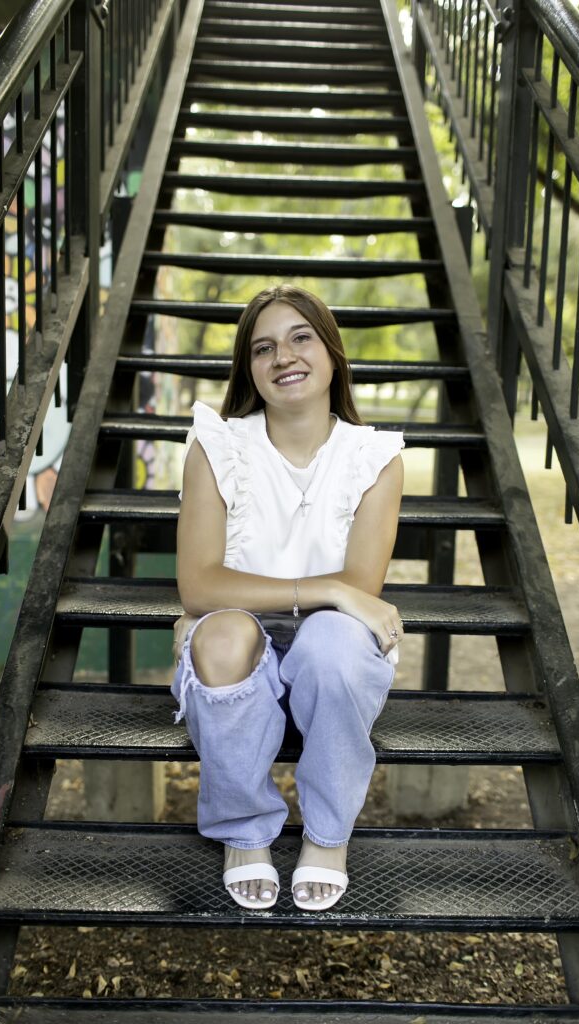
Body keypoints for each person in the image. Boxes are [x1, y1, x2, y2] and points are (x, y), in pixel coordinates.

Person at [171, 284, 405, 913]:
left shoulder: (373, 457)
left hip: (332, 657)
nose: (284, 357)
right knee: (222, 631)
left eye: (301, 338)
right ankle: (244, 831)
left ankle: (328, 835)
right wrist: (326, 588)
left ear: (332, 354)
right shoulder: (217, 446)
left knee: (332, 641)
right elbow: (198, 584)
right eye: (262, 348)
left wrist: (335, 598)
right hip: (239, 648)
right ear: (249, 369)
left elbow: (359, 598)